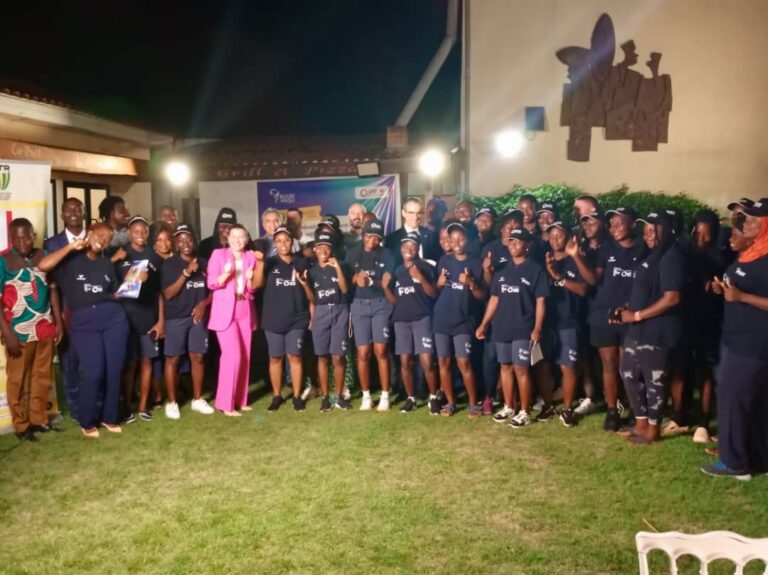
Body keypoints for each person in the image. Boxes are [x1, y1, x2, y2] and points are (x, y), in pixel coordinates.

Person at [38, 223, 130, 438]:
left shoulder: (106, 264)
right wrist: (71, 247)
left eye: (108, 239)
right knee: (93, 371)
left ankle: (109, 417)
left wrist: (134, 281)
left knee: (114, 370)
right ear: (89, 234)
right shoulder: (69, 261)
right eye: (100, 235)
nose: (103, 240)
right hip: (83, 324)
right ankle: (86, 421)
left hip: (114, 319)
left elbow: (113, 294)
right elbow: (43, 265)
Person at [702, 199, 768, 480]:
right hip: (735, 338)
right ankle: (758, 459)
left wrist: (742, 297)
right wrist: (725, 289)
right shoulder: (753, 250)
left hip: (752, 343)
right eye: (746, 218)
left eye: (754, 219)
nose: (746, 223)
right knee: (751, 401)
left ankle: (734, 463)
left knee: (733, 400)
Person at [614, 212, 684, 445]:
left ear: (666, 231)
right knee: (628, 373)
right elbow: (646, 290)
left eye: (654, 230)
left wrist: (636, 314)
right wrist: (628, 307)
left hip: (658, 330)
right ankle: (641, 423)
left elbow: (672, 298)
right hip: (638, 328)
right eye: (646, 231)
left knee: (654, 380)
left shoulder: (671, 257)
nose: (649, 235)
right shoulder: (650, 255)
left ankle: (653, 429)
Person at [578, 207, 645, 430]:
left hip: (630, 317)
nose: (615, 227)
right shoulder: (606, 249)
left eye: (620, 223)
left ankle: (636, 409)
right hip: (604, 315)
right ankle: (612, 410)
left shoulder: (644, 248)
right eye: (612, 223)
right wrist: (574, 256)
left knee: (630, 367)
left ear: (633, 224)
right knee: (609, 365)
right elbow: (593, 280)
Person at [477, 228, 549, 428]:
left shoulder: (535, 269)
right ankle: (509, 406)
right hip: (502, 326)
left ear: (527, 245)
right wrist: (484, 323)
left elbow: (541, 301)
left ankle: (524, 411)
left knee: (521, 368)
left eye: (518, 241)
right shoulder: (501, 269)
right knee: (505, 367)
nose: (514, 245)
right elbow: (494, 298)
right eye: (511, 241)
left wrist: (537, 328)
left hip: (523, 327)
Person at [0, 219, 62, 441]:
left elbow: (53, 289)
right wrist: (7, 333)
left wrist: (58, 322)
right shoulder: (4, 261)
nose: (23, 242)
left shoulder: (43, 255)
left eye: (26, 236)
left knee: (42, 376)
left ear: (33, 235)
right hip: (18, 332)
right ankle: (20, 425)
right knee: (17, 380)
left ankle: (38, 419)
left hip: (44, 328)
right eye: (17, 238)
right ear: (11, 239)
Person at [253, 225, 313, 412]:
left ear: (292, 241)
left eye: (286, 240)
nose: (283, 244)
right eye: (278, 241)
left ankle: (296, 396)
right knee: (275, 358)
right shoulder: (269, 262)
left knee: (295, 356)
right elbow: (256, 284)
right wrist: (260, 263)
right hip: (273, 319)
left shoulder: (301, 262)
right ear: (275, 244)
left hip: (297, 318)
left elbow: (310, 292)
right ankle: (277, 396)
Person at [161, 224, 214, 419]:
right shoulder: (170, 264)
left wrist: (203, 304)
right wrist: (186, 273)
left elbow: (214, 290)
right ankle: (172, 402)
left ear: (194, 241)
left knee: (198, 357)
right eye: (181, 239)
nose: (185, 243)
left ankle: (197, 399)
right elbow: (168, 294)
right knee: (173, 359)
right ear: (176, 243)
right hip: (176, 318)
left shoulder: (204, 263)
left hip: (197, 317)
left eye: (188, 239)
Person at [382, 232, 439, 414]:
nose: (408, 249)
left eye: (412, 246)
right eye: (405, 245)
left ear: (418, 248)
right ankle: (411, 399)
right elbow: (394, 301)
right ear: (401, 249)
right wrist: (385, 288)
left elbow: (433, 293)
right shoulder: (397, 270)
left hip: (422, 318)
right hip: (401, 321)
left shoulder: (426, 267)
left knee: (427, 361)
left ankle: (433, 397)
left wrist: (420, 277)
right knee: (405, 361)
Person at [433, 222, 485, 417]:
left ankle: (473, 403)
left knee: (464, 362)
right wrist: (438, 284)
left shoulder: (475, 262)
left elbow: (483, 296)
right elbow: (437, 290)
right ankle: (450, 403)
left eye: (460, 239)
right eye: (452, 239)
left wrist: (471, 283)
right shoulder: (444, 261)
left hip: (463, 320)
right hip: (441, 319)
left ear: (467, 240)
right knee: (444, 361)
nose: (456, 242)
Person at [115, 216, 165, 423]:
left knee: (147, 361)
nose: (140, 235)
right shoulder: (121, 254)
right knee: (130, 364)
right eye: (136, 231)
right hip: (126, 318)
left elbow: (159, 293)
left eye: (144, 231)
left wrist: (161, 321)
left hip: (148, 317)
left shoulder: (155, 257)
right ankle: (127, 407)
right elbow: (112, 289)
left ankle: (144, 406)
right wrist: (135, 278)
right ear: (129, 233)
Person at [206, 224, 259, 416]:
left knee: (245, 355)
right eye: (234, 236)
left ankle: (240, 400)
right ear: (228, 238)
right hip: (224, 311)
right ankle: (225, 404)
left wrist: (251, 280)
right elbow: (211, 283)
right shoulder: (218, 255)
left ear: (247, 239)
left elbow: (251, 290)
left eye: (241, 237)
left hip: (244, 307)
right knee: (232, 355)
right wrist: (226, 274)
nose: (237, 240)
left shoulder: (250, 257)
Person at [345, 217, 394, 411]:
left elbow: (388, 282)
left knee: (380, 351)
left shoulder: (387, 254)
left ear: (380, 239)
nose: (371, 240)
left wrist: (371, 281)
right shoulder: (352, 253)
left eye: (376, 237)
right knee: (363, 352)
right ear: (363, 234)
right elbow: (346, 281)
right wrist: (355, 279)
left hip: (381, 304)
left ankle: (385, 395)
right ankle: (366, 396)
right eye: (368, 236)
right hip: (358, 305)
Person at [43, 197, 86, 422]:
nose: (74, 212)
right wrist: (57, 313)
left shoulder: (95, 238)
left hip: (93, 310)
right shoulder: (52, 244)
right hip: (65, 311)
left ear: (84, 213)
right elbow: (49, 281)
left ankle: (96, 404)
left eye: (78, 208)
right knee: (69, 363)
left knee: (93, 361)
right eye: (69, 209)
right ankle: (76, 409)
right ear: (62, 215)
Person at [479, 209, 524, 415]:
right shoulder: (491, 249)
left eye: (515, 226)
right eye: (508, 225)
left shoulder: (522, 248)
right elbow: (490, 287)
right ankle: (488, 397)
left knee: (517, 359)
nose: (511, 229)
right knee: (491, 357)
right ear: (501, 228)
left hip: (518, 311)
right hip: (495, 311)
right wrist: (487, 271)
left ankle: (515, 398)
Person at [542, 222, 587, 427]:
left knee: (567, 366)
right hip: (546, 322)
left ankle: (567, 408)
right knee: (543, 365)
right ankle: (548, 404)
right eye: (551, 236)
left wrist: (558, 277)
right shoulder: (544, 260)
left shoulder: (575, 261)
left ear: (568, 237)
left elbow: (583, 290)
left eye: (559, 236)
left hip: (568, 321)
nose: (555, 240)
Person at [307, 229, 351, 411]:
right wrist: (312, 318)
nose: (323, 250)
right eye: (320, 247)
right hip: (321, 312)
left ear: (332, 249)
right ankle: (325, 397)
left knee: (338, 356)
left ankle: (339, 396)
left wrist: (337, 267)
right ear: (315, 249)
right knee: (322, 356)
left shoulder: (340, 266)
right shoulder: (311, 272)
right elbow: (312, 299)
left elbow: (345, 289)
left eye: (327, 247)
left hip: (339, 310)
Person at [384, 197, 439, 266]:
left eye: (419, 213)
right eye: (411, 213)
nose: (415, 217)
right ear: (403, 213)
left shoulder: (431, 236)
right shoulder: (392, 239)